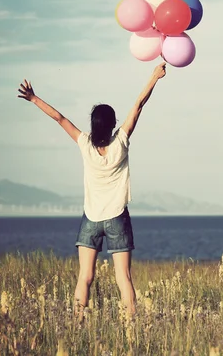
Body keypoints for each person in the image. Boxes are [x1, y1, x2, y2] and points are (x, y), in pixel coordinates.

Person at [16, 62, 167, 320]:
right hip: (117, 217)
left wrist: (33, 98)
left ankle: (77, 325)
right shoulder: (121, 141)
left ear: (94, 125)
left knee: (85, 277)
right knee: (124, 278)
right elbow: (139, 104)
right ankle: (131, 329)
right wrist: (155, 75)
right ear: (112, 125)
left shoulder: (84, 143)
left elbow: (60, 118)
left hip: (91, 219)